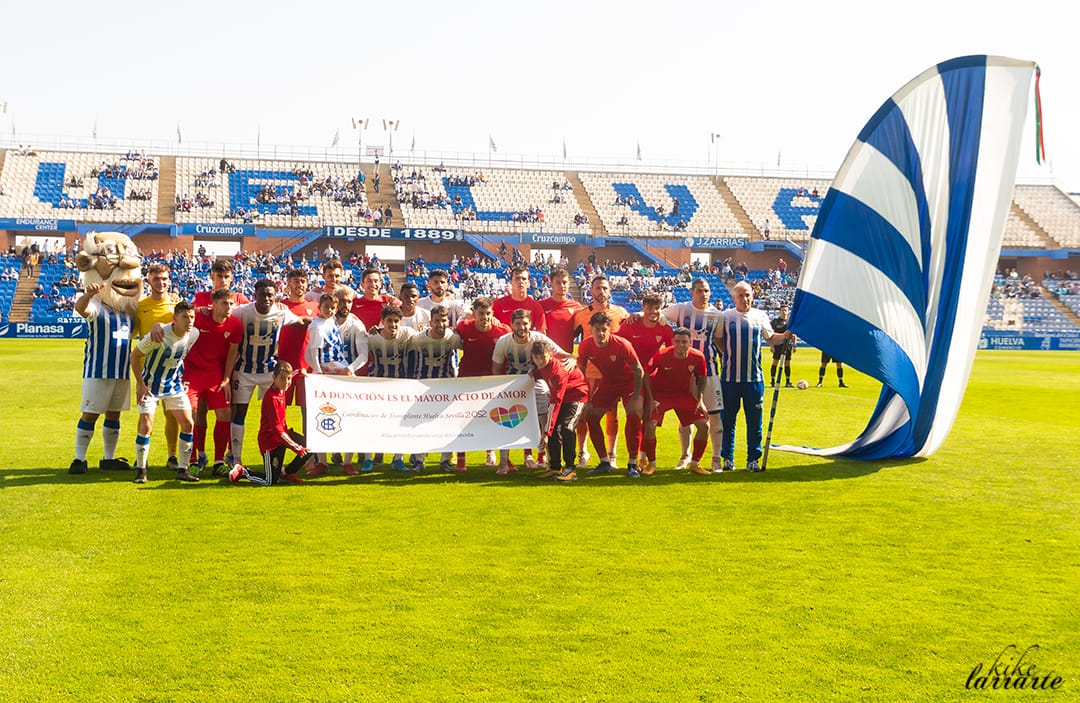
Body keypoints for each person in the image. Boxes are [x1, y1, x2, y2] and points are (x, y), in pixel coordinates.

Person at [69, 232, 143, 475]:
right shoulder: (98, 307)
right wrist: (88, 294)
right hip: (97, 371)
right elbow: (81, 309)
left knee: (114, 414)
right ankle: (79, 459)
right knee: (90, 413)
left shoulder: (129, 312)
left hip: (121, 372)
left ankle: (108, 458)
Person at [229, 279, 312, 468]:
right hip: (244, 371)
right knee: (239, 413)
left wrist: (319, 320)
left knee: (276, 418)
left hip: (269, 373)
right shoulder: (242, 312)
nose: (266, 298)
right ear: (255, 295)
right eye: (262, 294)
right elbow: (223, 313)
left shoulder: (281, 312)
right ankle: (236, 460)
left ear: (275, 296)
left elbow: (300, 321)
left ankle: (276, 462)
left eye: (270, 295)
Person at [716, 282, 793, 472]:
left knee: (754, 422)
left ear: (753, 296)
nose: (745, 299)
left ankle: (753, 459)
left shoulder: (760, 316)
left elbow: (770, 337)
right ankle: (728, 458)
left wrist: (786, 335)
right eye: (741, 296)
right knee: (728, 420)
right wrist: (727, 355)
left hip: (754, 380)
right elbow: (718, 338)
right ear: (734, 298)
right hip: (729, 380)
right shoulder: (725, 317)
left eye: (748, 295)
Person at [491, 308, 573, 475]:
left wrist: (572, 360)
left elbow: (565, 355)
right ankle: (503, 461)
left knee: (544, 419)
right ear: (512, 325)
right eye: (518, 323)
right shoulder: (503, 342)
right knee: (506, 420)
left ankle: (548, 458)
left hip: (537, 382)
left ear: (530, 324)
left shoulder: (539, 339)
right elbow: (496, 368)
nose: (522, 327)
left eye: (525, 323)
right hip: (511, 383)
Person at [130, 302, 200, 483]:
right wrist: (139, 383)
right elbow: (134, 355)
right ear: (174, 319)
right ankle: (141, 470)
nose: (189, 321)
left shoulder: (194, 334)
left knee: (188, 423)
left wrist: (183, 380)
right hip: (150, 386)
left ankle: (183, 470)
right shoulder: (159, 334)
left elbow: (181, 357)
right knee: (146, 425)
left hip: (173, 387)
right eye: (184, 317)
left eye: (191, 317)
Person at [660, 278, 726, 471]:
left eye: (706, 291)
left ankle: (715, 458)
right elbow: (659, 316)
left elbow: (719, 341)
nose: (703, 294)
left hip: (710, 372)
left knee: (714, 415)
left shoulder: (717, 315)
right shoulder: (681, 309)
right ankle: (685, 456)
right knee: (686, 417)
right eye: (699, 291)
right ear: (691, 292)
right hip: (684, 374)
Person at [576, 311, 645, 478]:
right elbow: (580, 373)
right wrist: (587, 398)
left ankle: (632, 463)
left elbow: (639, 371)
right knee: (591, 416)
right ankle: (604, 461)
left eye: (604, 329)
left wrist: (636, 396)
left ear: (610, 330)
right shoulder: (585, 346)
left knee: (634, 415)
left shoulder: (622, 344)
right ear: (590, 329)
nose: (601, 333)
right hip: (608, 383)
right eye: (597, 329)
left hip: (628, 383)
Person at [572, 275, 629, 469]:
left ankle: (612, 454)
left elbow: (629, 338)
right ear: (591, 290)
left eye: (604, 288)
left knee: (612, 414)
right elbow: (568, 338)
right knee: (582, 413)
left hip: (611, 375)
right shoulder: (581, 314)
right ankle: (582, 452)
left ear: (609, 290)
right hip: (588, 373)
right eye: (597, 288)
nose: (601, 292)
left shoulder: (621, 313)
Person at [616, 293, 675, 473]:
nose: (652, 312)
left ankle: (645, 460)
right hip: (631, 378)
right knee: (635, 413)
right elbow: (616, 344)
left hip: (653, 379)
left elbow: (671, 350)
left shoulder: (665, 329)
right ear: (643, 308)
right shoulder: (631, 324)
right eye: (648, 308)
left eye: (656, 308)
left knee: (650, 420)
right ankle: (632, 460)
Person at [186, 288, 241, 477]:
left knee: (225, 413)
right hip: (192, 373)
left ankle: (219, 462)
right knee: (191, 414)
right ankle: (194, 460)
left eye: (231, 303)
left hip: (215, 374)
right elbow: (178, 320)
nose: (229, 307)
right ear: (213, 304)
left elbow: (232, 353)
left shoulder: (234, 324)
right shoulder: (198, 318)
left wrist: (226, 379)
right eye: (224, 303)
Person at [229, 361, 310, 486]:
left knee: (311, 446)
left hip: (283, 436)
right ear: (274, 378)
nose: (287, 382)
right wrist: (296, 447)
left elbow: (293, 373)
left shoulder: (282, 388)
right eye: (282, 379)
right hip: (271, 443)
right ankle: (243, 471)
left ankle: (287, 472)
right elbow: (276, 429)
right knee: (270, 481)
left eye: (288, 379)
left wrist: (300, 371)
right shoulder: (272, 399)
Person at [644, 328, 710, 475]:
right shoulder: (662, 355)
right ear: (673, 342)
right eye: (678, 341)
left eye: (684, 342)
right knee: (650, 424)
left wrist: (700, 399)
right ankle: (651, 464)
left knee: (704, 425)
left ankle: (695, 463)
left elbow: (702, 377)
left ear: (690, 343)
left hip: (682, 395)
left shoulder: (698, 357)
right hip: (661, 394)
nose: (681, 345)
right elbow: (646, 374)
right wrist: (649, 399)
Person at [135, 263, 182, 471]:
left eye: (164, 279)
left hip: (171, 371)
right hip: (147, 372)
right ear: (149, 281)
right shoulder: (140, 306)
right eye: (156, 279)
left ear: (169, 280)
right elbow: (131, 336)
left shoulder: (176, 307)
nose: (161, 283)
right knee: (146, 417)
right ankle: (141, 457)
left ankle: (172, 455)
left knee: (171, 414)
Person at [456, 296, 512, 470]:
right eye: (480, 313)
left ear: (493, 313)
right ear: (473, 314)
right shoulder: (463, 328)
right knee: (462, 420)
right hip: (467, 381)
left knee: (495, 419)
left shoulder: (502, 331)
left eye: (488, 313)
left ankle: (491, 452)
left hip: (493, 383)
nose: (484, 317)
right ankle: (461, 457)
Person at [303, 294, 355, 477]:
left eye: (333, 307)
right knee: (322, 416)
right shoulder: (316, 325)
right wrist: (318, 371)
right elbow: (314, 350)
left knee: (349, 414)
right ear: (320, 307)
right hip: (327, 372)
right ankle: (322, 461)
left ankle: (347, 461)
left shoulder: (332, 322)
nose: (330, 310)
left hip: (339, 368)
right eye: (327, 307)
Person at [407, 305, 462, 472]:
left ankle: (445, 460)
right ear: (430, 322)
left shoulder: (453, 338)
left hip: (446, 387)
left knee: (447, 424)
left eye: (444, 320)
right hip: (422, 387)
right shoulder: (418, 339)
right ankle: (419, 459)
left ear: (448, 321)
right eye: (437, 321)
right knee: (419, 424)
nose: (440, 324)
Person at [364, 304, 418, 472]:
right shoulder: (371, 338)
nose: (393, 325)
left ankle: (398, 458)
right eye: (389, 321)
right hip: (376, 387)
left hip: (399, 387)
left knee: (401, 424)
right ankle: (368, 459)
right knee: (373, 423)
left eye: (396, 321)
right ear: (382, 322)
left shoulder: (407, 334)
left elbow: (426, 337)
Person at [530, 340, 589, 482]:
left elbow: (555, 402)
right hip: (561, 398)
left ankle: (570, 469)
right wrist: (529, 376)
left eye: (542, 357)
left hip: (577, 396)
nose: (539, 361)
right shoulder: (542, 366)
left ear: (550, 355)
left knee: (566, 427)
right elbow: (537, 373)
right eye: (536, 358)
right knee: (554, 428)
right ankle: (555, 466)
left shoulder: (559, 371)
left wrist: (546, 432)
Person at [277, 269, 321, 431]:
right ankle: (278, 448)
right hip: (283, 366)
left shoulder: (315, 307)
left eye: (303, 281)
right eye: (296, 281)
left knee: (308, 411)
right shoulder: (280, 306)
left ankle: (308, 452)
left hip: (307, 368)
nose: (300, 284)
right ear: (289, 283)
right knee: (279, 409)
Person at [539, 268, 582, 353]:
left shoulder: (577, 307)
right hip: (547, 357)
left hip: (566, 359)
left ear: (568, 284)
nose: (562, 285)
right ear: (551, 284)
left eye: (564, 282)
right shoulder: (541, 305)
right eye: (558, 283)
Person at [493, 266, 546, 333]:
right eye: (517, 278)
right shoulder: (498, 304)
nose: (521, 281)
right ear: (511, 282)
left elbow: (542, 333)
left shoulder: (536, 306)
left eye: (524, 279)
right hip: (504, 342)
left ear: (528, 283)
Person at [770, 305, 797, 387]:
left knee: (787, 363)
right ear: (779, 311)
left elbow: (794, 334)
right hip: (778, 345)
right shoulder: (775, 322)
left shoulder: (790, 322)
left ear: (788, 312)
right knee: (775, 362)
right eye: (782, 310)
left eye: (785, 310)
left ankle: (788, 382)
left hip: (788, 345)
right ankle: (773, 381)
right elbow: (770, 334)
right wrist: (771, 345)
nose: (784, 312)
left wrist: (794, 345)